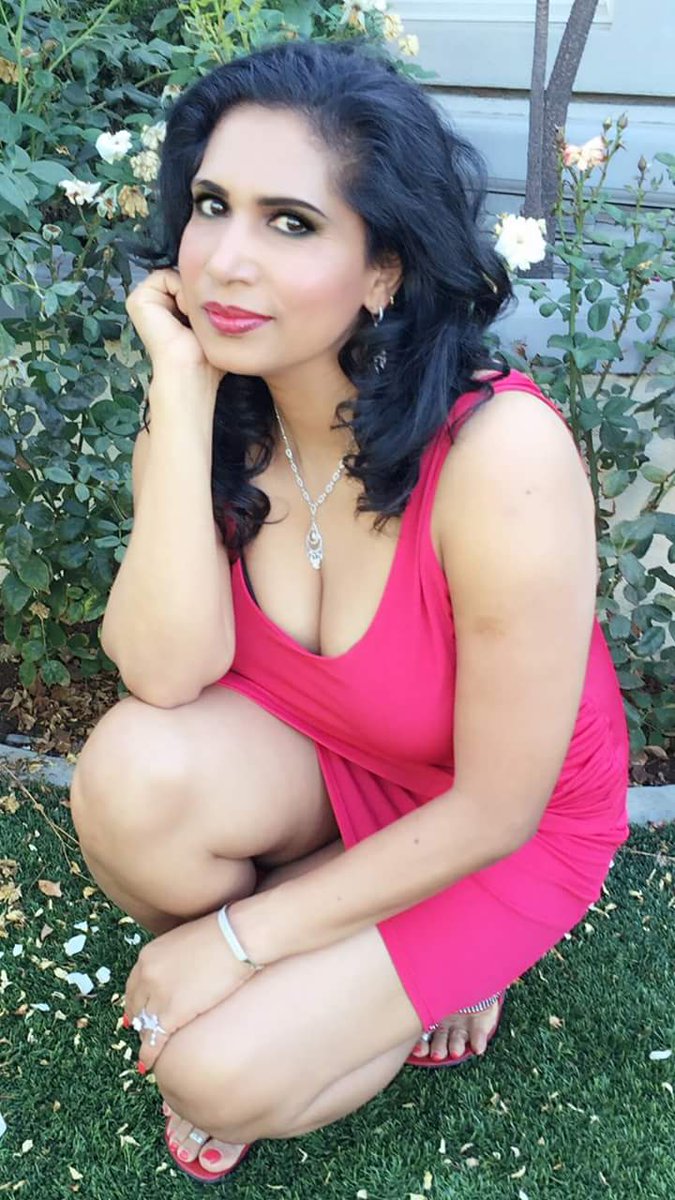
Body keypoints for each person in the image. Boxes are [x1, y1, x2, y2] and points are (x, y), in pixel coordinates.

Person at [69, 37, 630, 1186]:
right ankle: (343, 954)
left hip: (499, 823)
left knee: (212, 1072)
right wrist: (179, 393)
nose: (226, 261)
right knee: (129, 779)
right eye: (211, 206)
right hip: (337, 762)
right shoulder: (214, 411)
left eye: (290, 222)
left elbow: (499, 807)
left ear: (383, 271)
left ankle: (444, 962)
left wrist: (237, 941)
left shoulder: (502, 458)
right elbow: (162, 673)